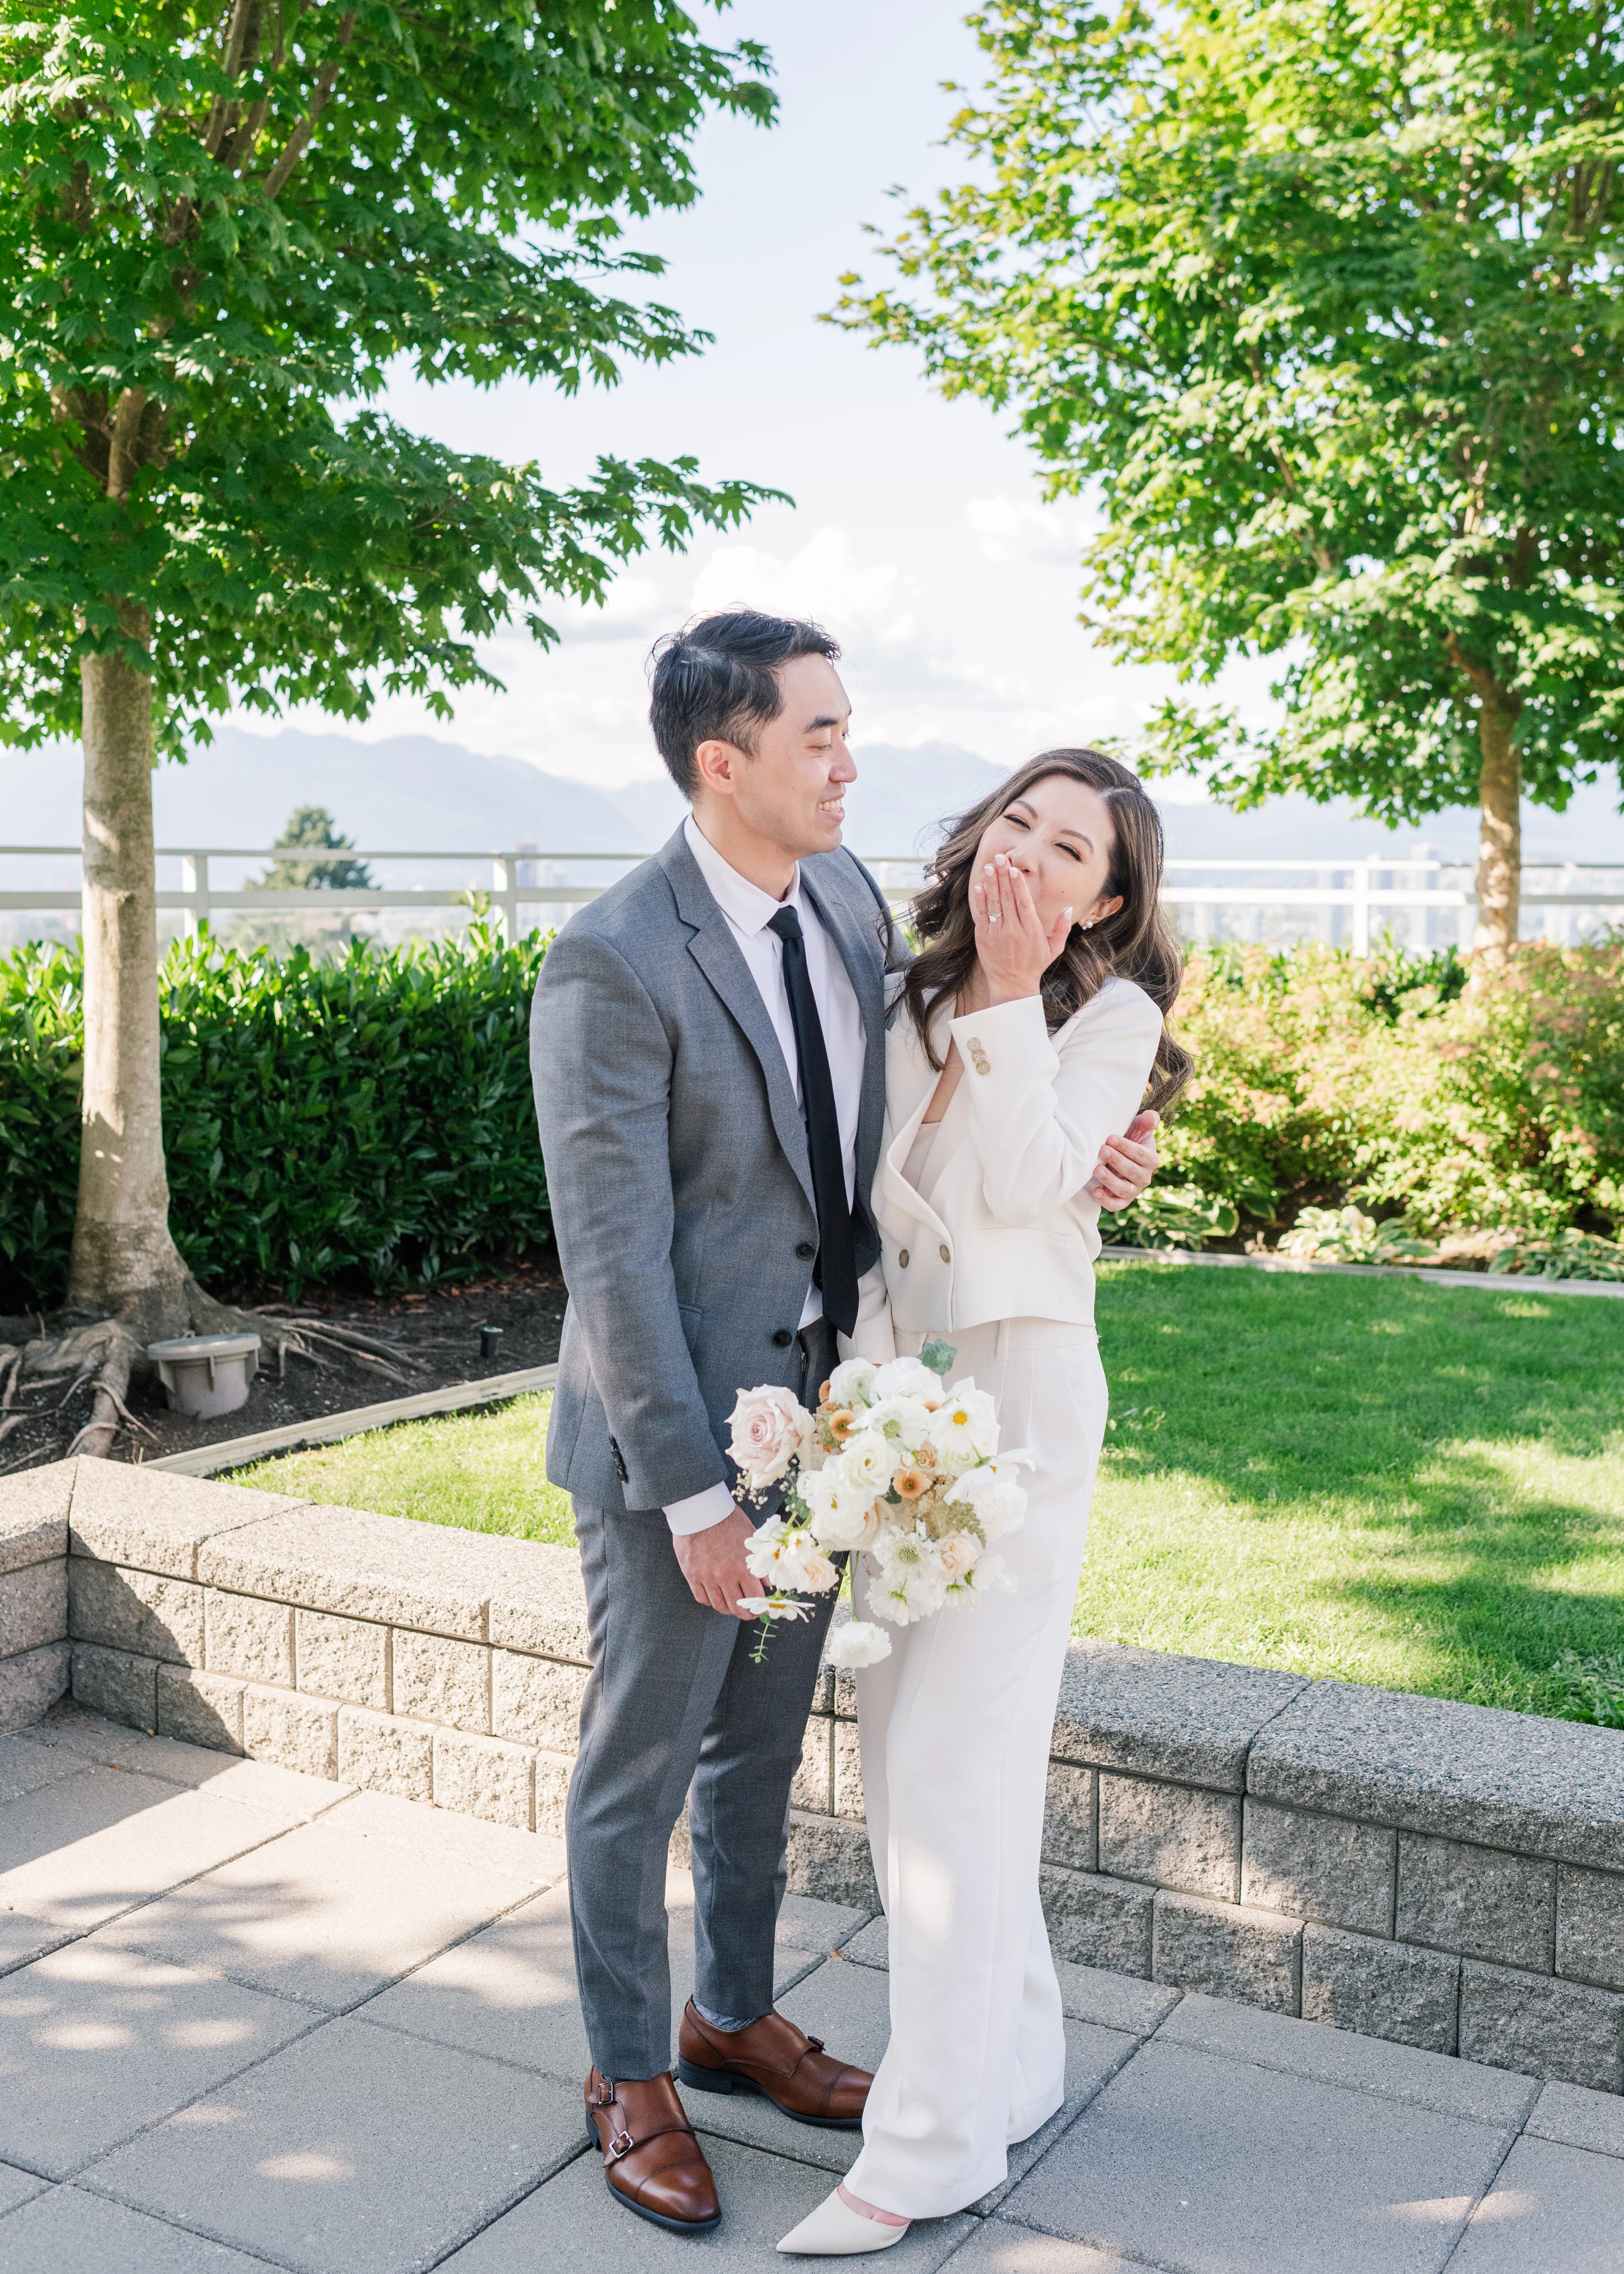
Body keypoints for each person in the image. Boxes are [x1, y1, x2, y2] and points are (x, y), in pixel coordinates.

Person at [531, 616, 1161, 2237]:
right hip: (671, 1440)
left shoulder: (844, 901)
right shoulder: (609, 956)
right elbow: (609, 1265)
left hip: (835, 1429)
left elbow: (927, 1114)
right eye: (817, 736)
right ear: (718, 762)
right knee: (641, 1760)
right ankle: (626, 2070)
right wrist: (687, 1494)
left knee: (758, 1748)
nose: (850, 763)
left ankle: (728, 2015)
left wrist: (1087, 1148)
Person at [778, 749, 1190, 2255]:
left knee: (957, 1767)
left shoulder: (1114, 1014)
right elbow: (876, 1195)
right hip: (898, 1406)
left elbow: (1022, 1187)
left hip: (1020, 1407)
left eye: (1071, 846)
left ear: (1107, 900)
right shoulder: (899, 992)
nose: (1031, 849)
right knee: (908, 1768)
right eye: (1018, 817)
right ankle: (1014, 2055)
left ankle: (932, 2147)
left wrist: (1019, 999)